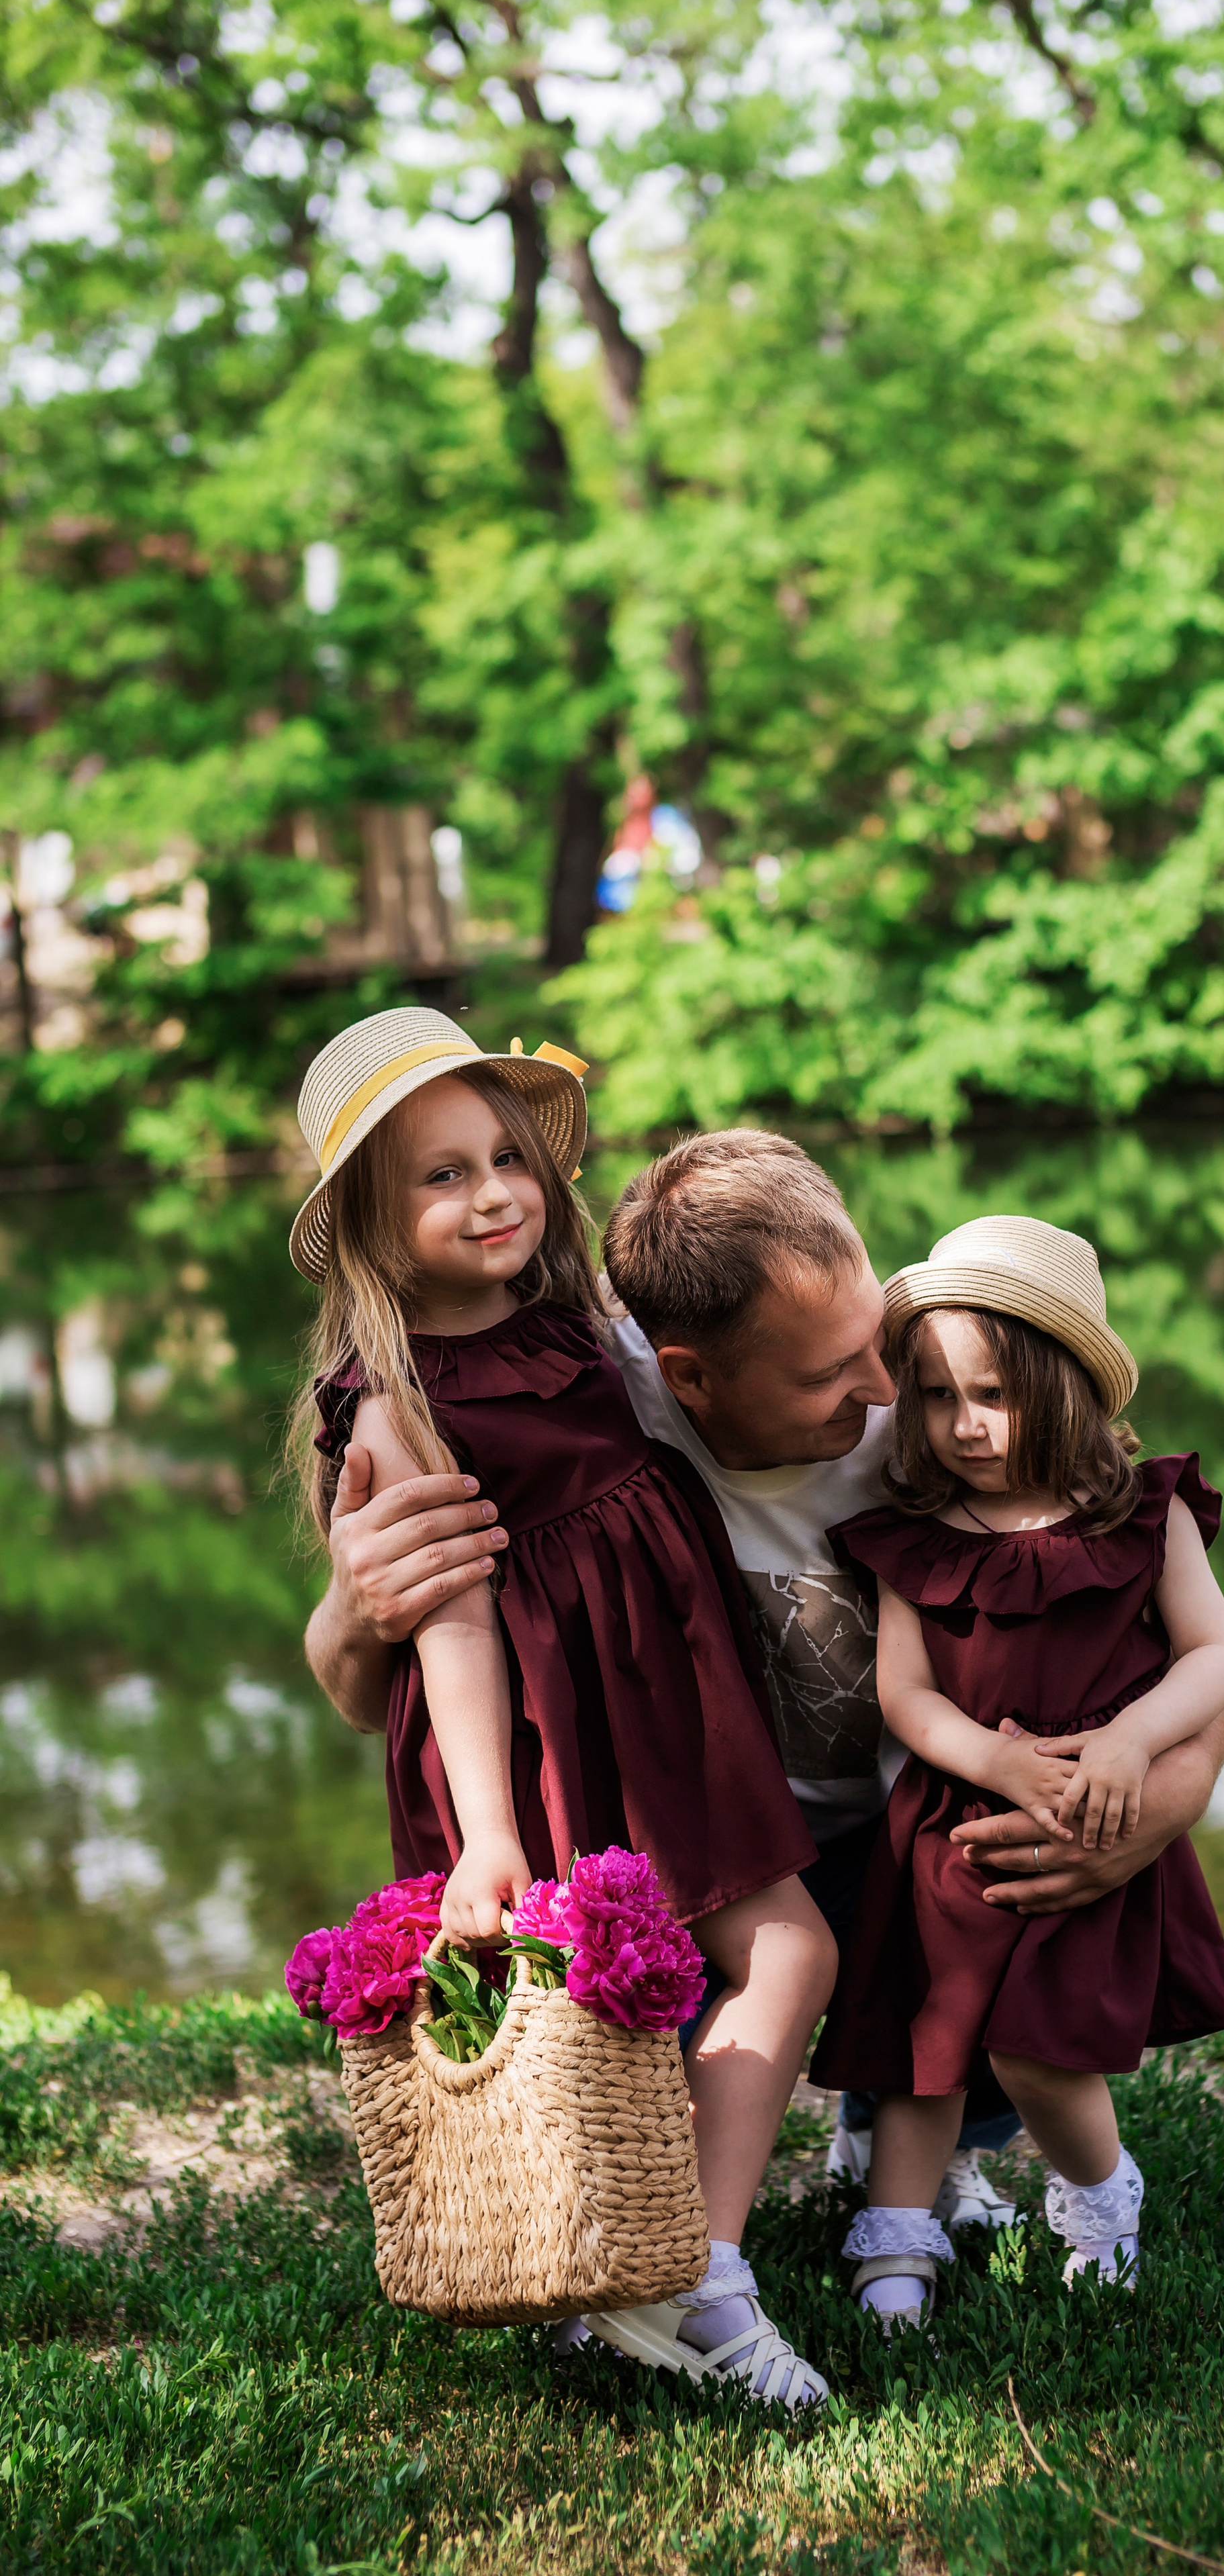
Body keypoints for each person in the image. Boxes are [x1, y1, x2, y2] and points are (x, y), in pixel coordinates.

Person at [302, 1133, 1224, 2248]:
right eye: (826, 1377)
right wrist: (351, 1612)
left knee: (998, 1924)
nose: (888, 1389)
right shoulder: (598, 1416)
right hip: (722, 1854)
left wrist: (1163, 1807)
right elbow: (375, 1698)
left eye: (877, 1346)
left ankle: (917, 2132)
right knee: (655, 2032)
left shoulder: (946, 1407)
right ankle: (689, 2234)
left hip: (920, 1833)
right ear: (686, 1372)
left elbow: (1155, 1609)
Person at [288, 1010, 833, 2408]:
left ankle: (674, 2262)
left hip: (664, 1703)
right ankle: (643, 2274)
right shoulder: (392, 1397)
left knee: (778, 1951)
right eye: (442, 1175)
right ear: (365, 1217)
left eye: (506, 1158)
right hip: (526, 1734)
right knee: (603, 2002)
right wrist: (484, 1834)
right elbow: (449, 1617)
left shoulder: (574, 1318)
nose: (494, 1193)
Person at [811, 1215, 1224, 2331]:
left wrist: (1129, 1743)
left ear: (1068, 1388)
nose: (964, 1425)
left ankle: (1100, 2196)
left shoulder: (1145, 1517)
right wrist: (995, 1756)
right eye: (938, 1395)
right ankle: (897, 2230)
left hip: (1093, 1812)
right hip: (952, 1820)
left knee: (1036, 2044)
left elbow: (1215, 1656)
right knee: (925, 2038)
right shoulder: (917, 1535)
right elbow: (906, 1695)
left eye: (994, 1394)